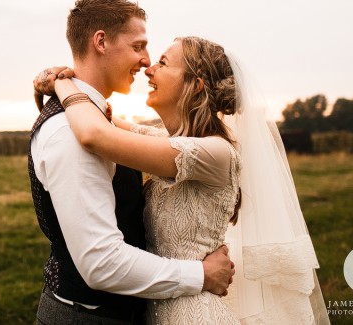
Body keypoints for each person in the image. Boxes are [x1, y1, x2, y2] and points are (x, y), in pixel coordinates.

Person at [35, 35, 330, 324]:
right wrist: (66, 79)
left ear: (195, 85)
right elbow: (104, 120)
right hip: (162, 304)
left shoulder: (215, 152)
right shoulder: (172, 142)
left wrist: (62, 83)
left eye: (163, 63)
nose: (149, 69)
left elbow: (95, 134)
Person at [29, 0, 235, 325]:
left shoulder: (99, 124)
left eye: (160, 59)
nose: (147, 61)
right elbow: (101, 263)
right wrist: (200, 274)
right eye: (138, 46)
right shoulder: (71, 132)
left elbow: (102, 131)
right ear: (101, 42)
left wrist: (63, 83)